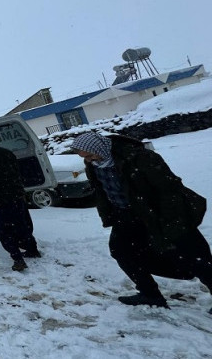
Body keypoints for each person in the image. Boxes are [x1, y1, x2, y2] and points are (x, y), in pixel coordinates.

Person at [72, 132, 211, 311]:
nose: (90, 160)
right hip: (125, 215)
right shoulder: (94, 164)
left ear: (99, 147)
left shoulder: (139, 157)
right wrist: (109, 214)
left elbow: (169, 189)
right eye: (85, 157)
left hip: (159, 213)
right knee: (121, 251)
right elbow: (101, 190)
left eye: (91, 155)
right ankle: (150, 294)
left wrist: (171, 221)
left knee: (194, 255)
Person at [0, 133, 40, 272]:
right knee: (22, 224)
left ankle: (17, 259)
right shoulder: (7, 153)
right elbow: (17, 173)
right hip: (16, 197)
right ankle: (32, 250)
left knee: (4, 230)